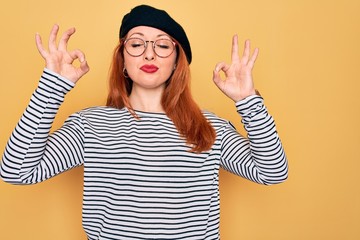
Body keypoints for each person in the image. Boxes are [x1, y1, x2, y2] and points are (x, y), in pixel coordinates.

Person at [0, 4, 288, 240]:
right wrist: (53, 85)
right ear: (122, 59)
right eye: (136, 44)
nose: (149, 53)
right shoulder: (89, 126)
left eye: (163, 45)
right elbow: (16, 171)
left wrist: (248, 100)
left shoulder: (209, 127)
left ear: (176, 61)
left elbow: (273, 172)